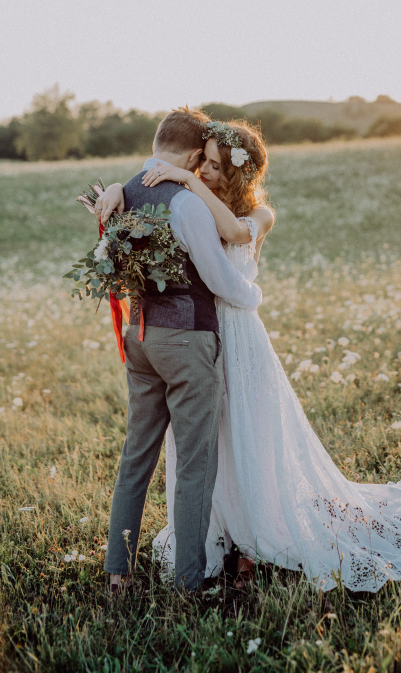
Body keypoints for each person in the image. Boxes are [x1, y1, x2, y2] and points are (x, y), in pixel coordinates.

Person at [98, 118, 401, 594]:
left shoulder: (241, 210)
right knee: (207, 448)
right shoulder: (179, 200)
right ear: (192, 156)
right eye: (203, 161)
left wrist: (167, 185)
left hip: (222, 334)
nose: (207, 170)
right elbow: (205, 265)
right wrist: (126, 188)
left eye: (215, 165)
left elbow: (232, 234)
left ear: (234, 174)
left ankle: (246, 542)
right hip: (198, 334)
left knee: (246, 436)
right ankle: (214, 549)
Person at [100, 109, 262, 596]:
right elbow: (218, 279)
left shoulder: (122, 194)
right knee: (195, 464)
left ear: (156, 143)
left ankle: (118, 573)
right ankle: (190, 581)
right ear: (195, 156)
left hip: (140, 339)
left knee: (136, 457)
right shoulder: (186, 203)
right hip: (189, 342)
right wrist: (254, 296)